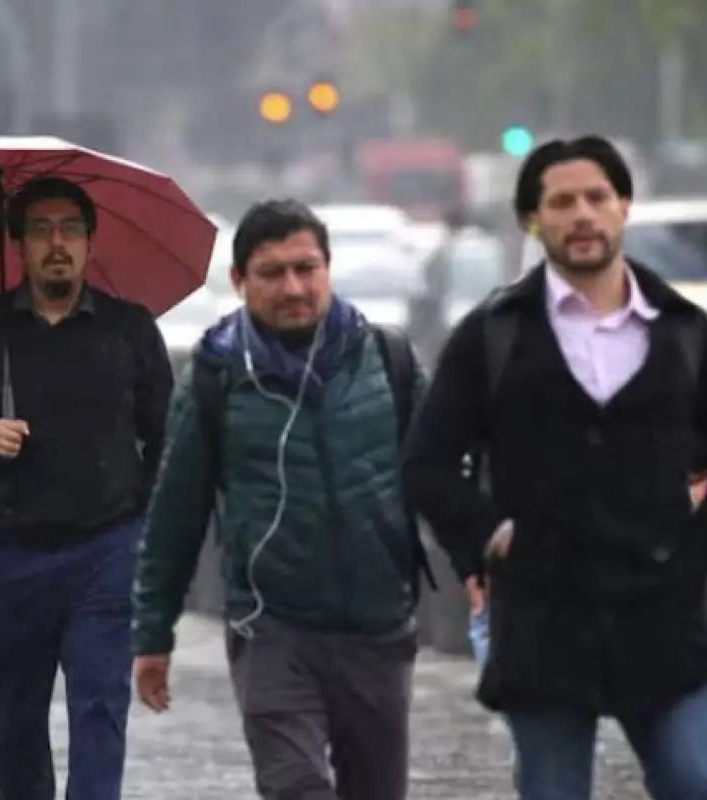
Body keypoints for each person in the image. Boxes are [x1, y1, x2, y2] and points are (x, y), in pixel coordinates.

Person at [402, 136, 707, 799]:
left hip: (666, 616)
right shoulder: (493, 335)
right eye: (561, 202)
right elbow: (426, 460)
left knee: (694, 776)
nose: (582, 215)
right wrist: (485, 536)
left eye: (597, 198)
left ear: (624, 206)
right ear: (533, 221)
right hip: (544, 618)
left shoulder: (685, 332)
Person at [132, 199, 428, 800]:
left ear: (327, 269)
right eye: (272, 273)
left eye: (306, 268)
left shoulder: (387, 360)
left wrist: (482, 559)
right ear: (240, 282)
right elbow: (175, 512)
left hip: (376, 628)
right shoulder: (216, 378)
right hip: (272, 628)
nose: (293, 287)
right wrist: (152, 633)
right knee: (296, 788)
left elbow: (442, 474)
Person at [0, 175, 173, 800]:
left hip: (104, 552)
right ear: (19, 245)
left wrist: (142, 527)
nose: (57, 244)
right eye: (41, 231)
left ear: (90, 244)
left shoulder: (129, 329)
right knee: (13, 718)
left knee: (98, 707)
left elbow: (168, 437)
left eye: (71, 230)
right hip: (10, 553)